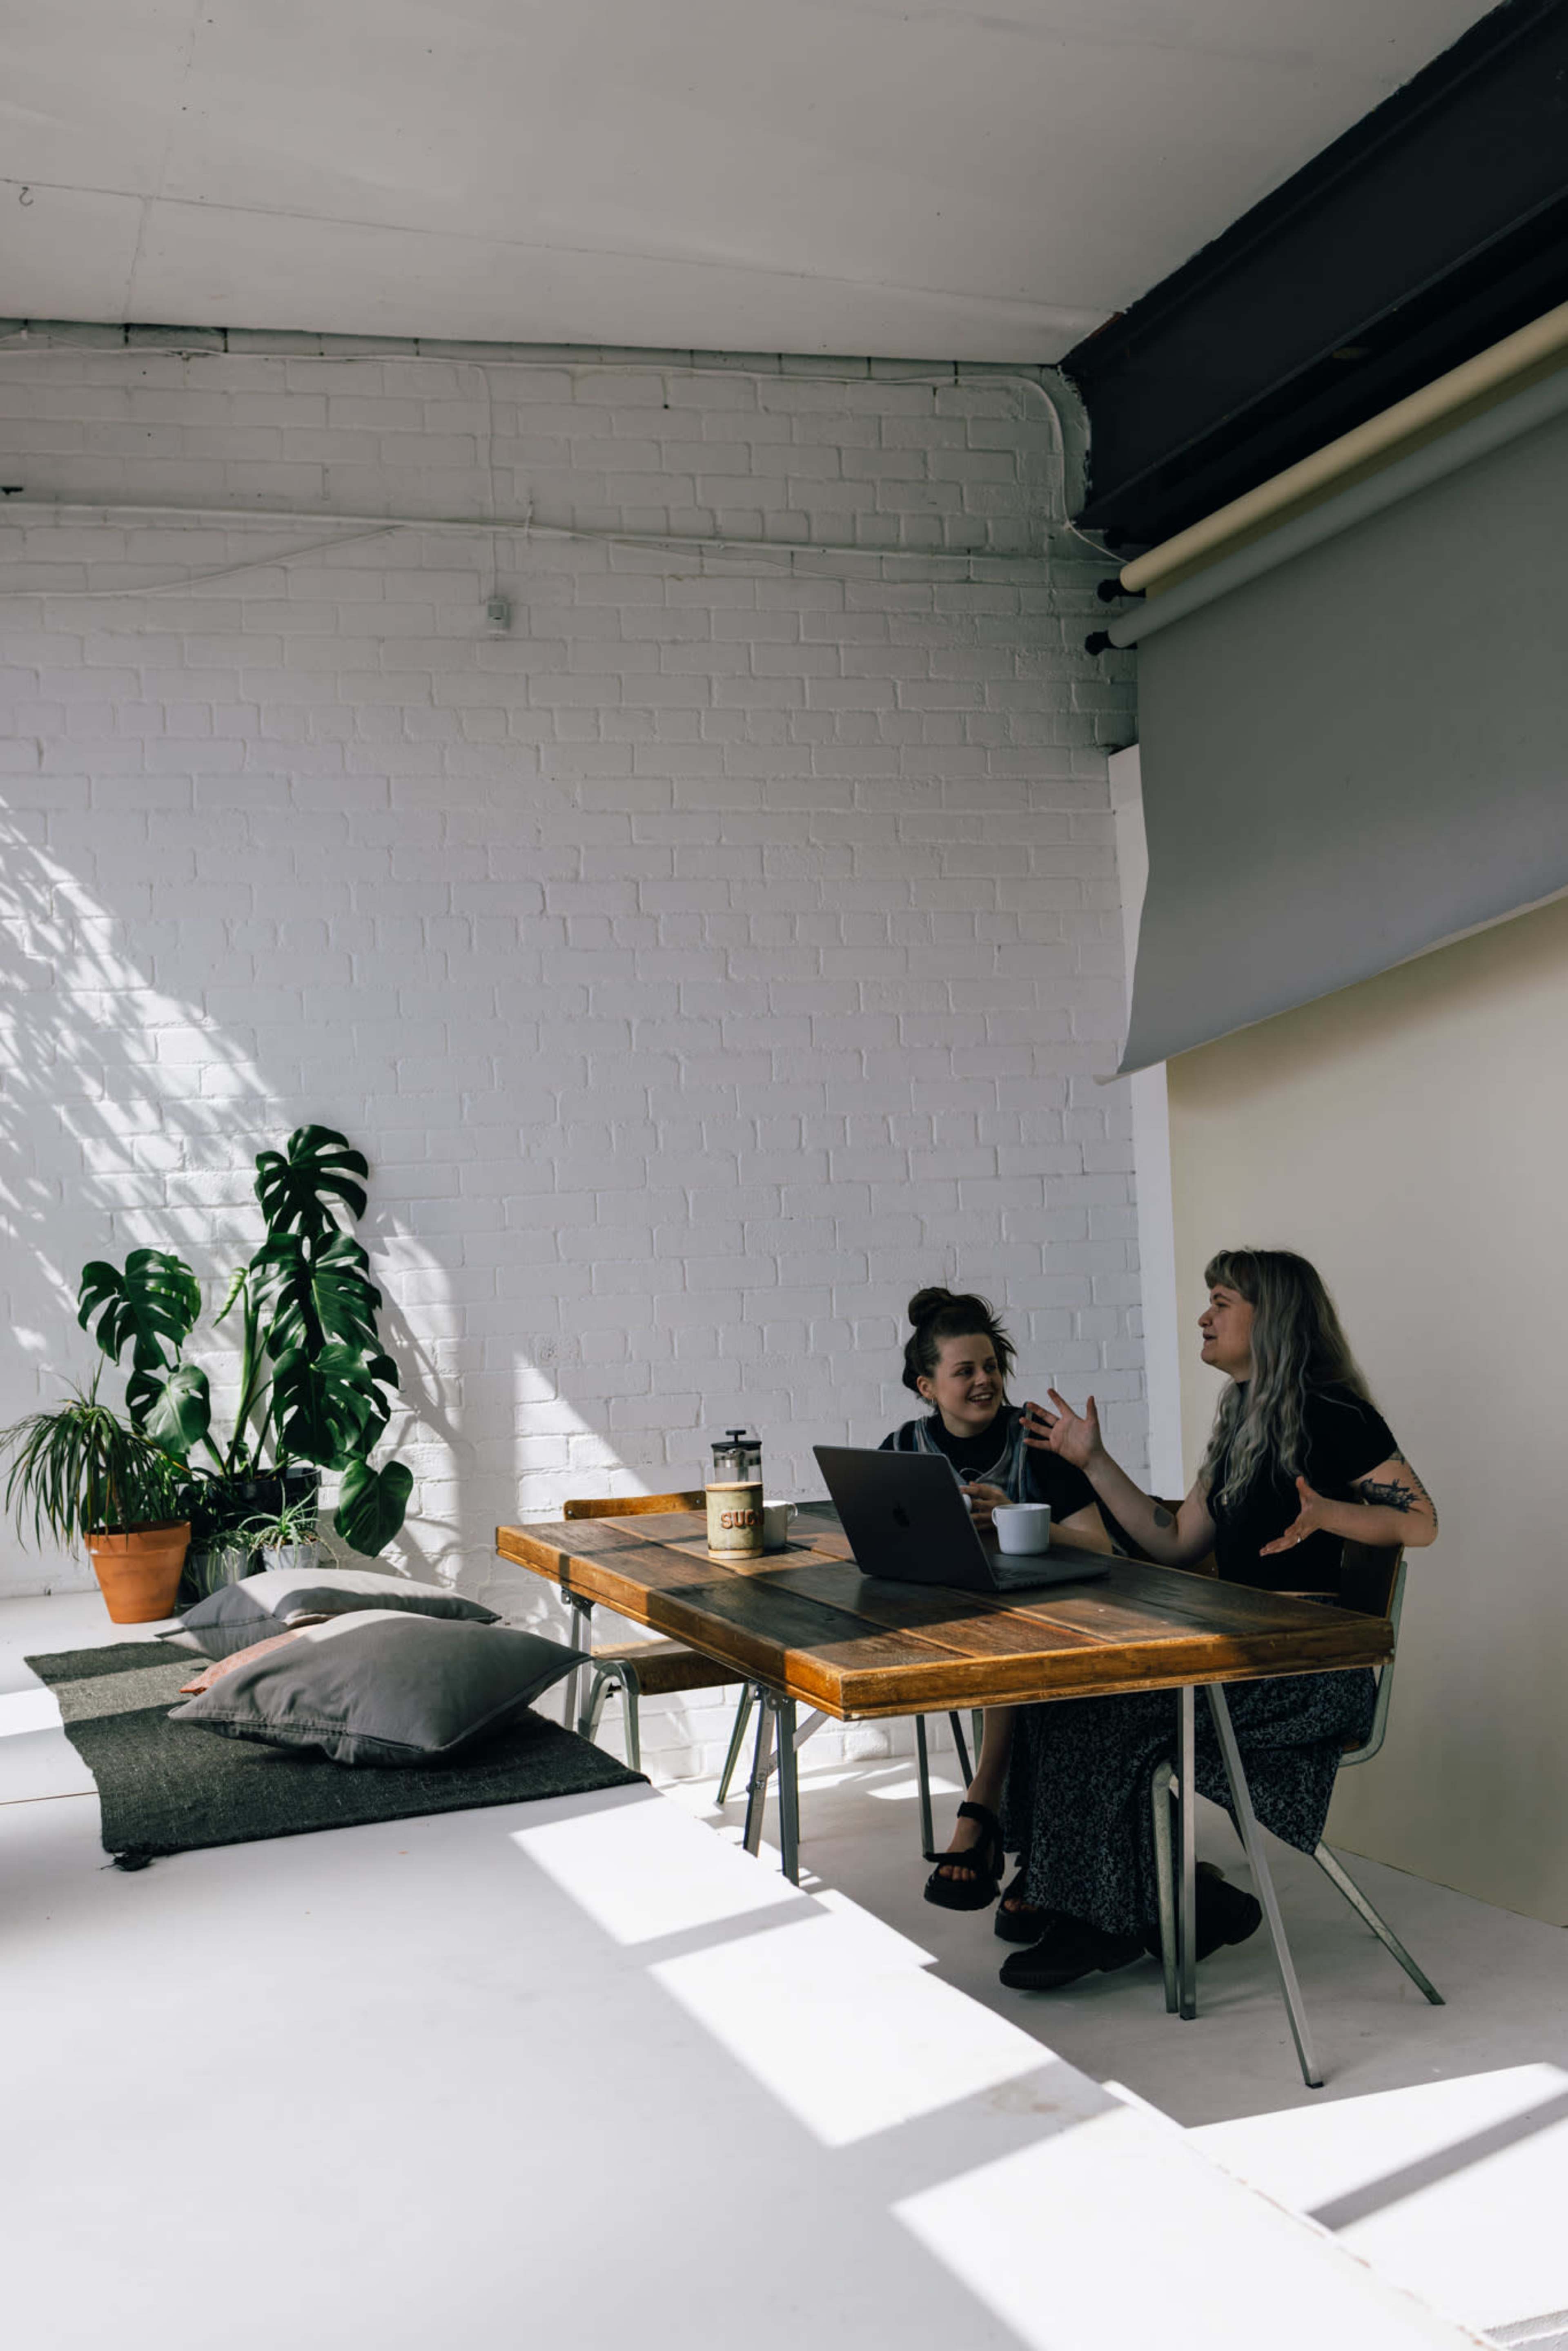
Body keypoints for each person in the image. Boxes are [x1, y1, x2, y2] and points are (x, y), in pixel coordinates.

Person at [990, 1246, 1438, 1992]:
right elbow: (1173, 1542)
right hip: (1242, 1656)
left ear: (1275, 1320)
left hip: (1307, 1672)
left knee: (1103, 1713)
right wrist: (1093, 1461)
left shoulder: (1336, 1415)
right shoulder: (1242, 1420)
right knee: (1064, 1695)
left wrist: (1330, 1512)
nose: (1204, 1314)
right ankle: (1158, 1901)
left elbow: (1420, 1522)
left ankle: (1102, 1918)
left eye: (1223, 1301)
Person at [879, 1287, 1115, 1920]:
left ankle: (984, 1807)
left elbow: (1102, 1547)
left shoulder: (1037, 1440)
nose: (984, 1381)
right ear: (927, 1386)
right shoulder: (902, 1449)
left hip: (1062, 1623)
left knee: (1010, 1636)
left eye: (991, 1367)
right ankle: (1037, 1851)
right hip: (949, 1630)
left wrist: (1017, 1516)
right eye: (965, 1371)